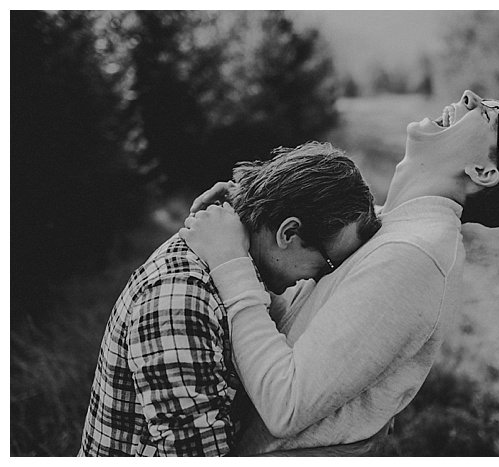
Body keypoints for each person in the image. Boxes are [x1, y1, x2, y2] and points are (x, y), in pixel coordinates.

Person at [181, 89, 499, 455]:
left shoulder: (415, 256)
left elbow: (285, 404)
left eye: (491, 115)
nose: (471, 96)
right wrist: (250, 221)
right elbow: (295, 325)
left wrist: (229, 261)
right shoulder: (389, 226)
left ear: (483, 171)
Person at [78, 142, 379, 456]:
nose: (319, 279)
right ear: (288, 233)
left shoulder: (239, 258)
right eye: (329, 265)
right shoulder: (181, 300)